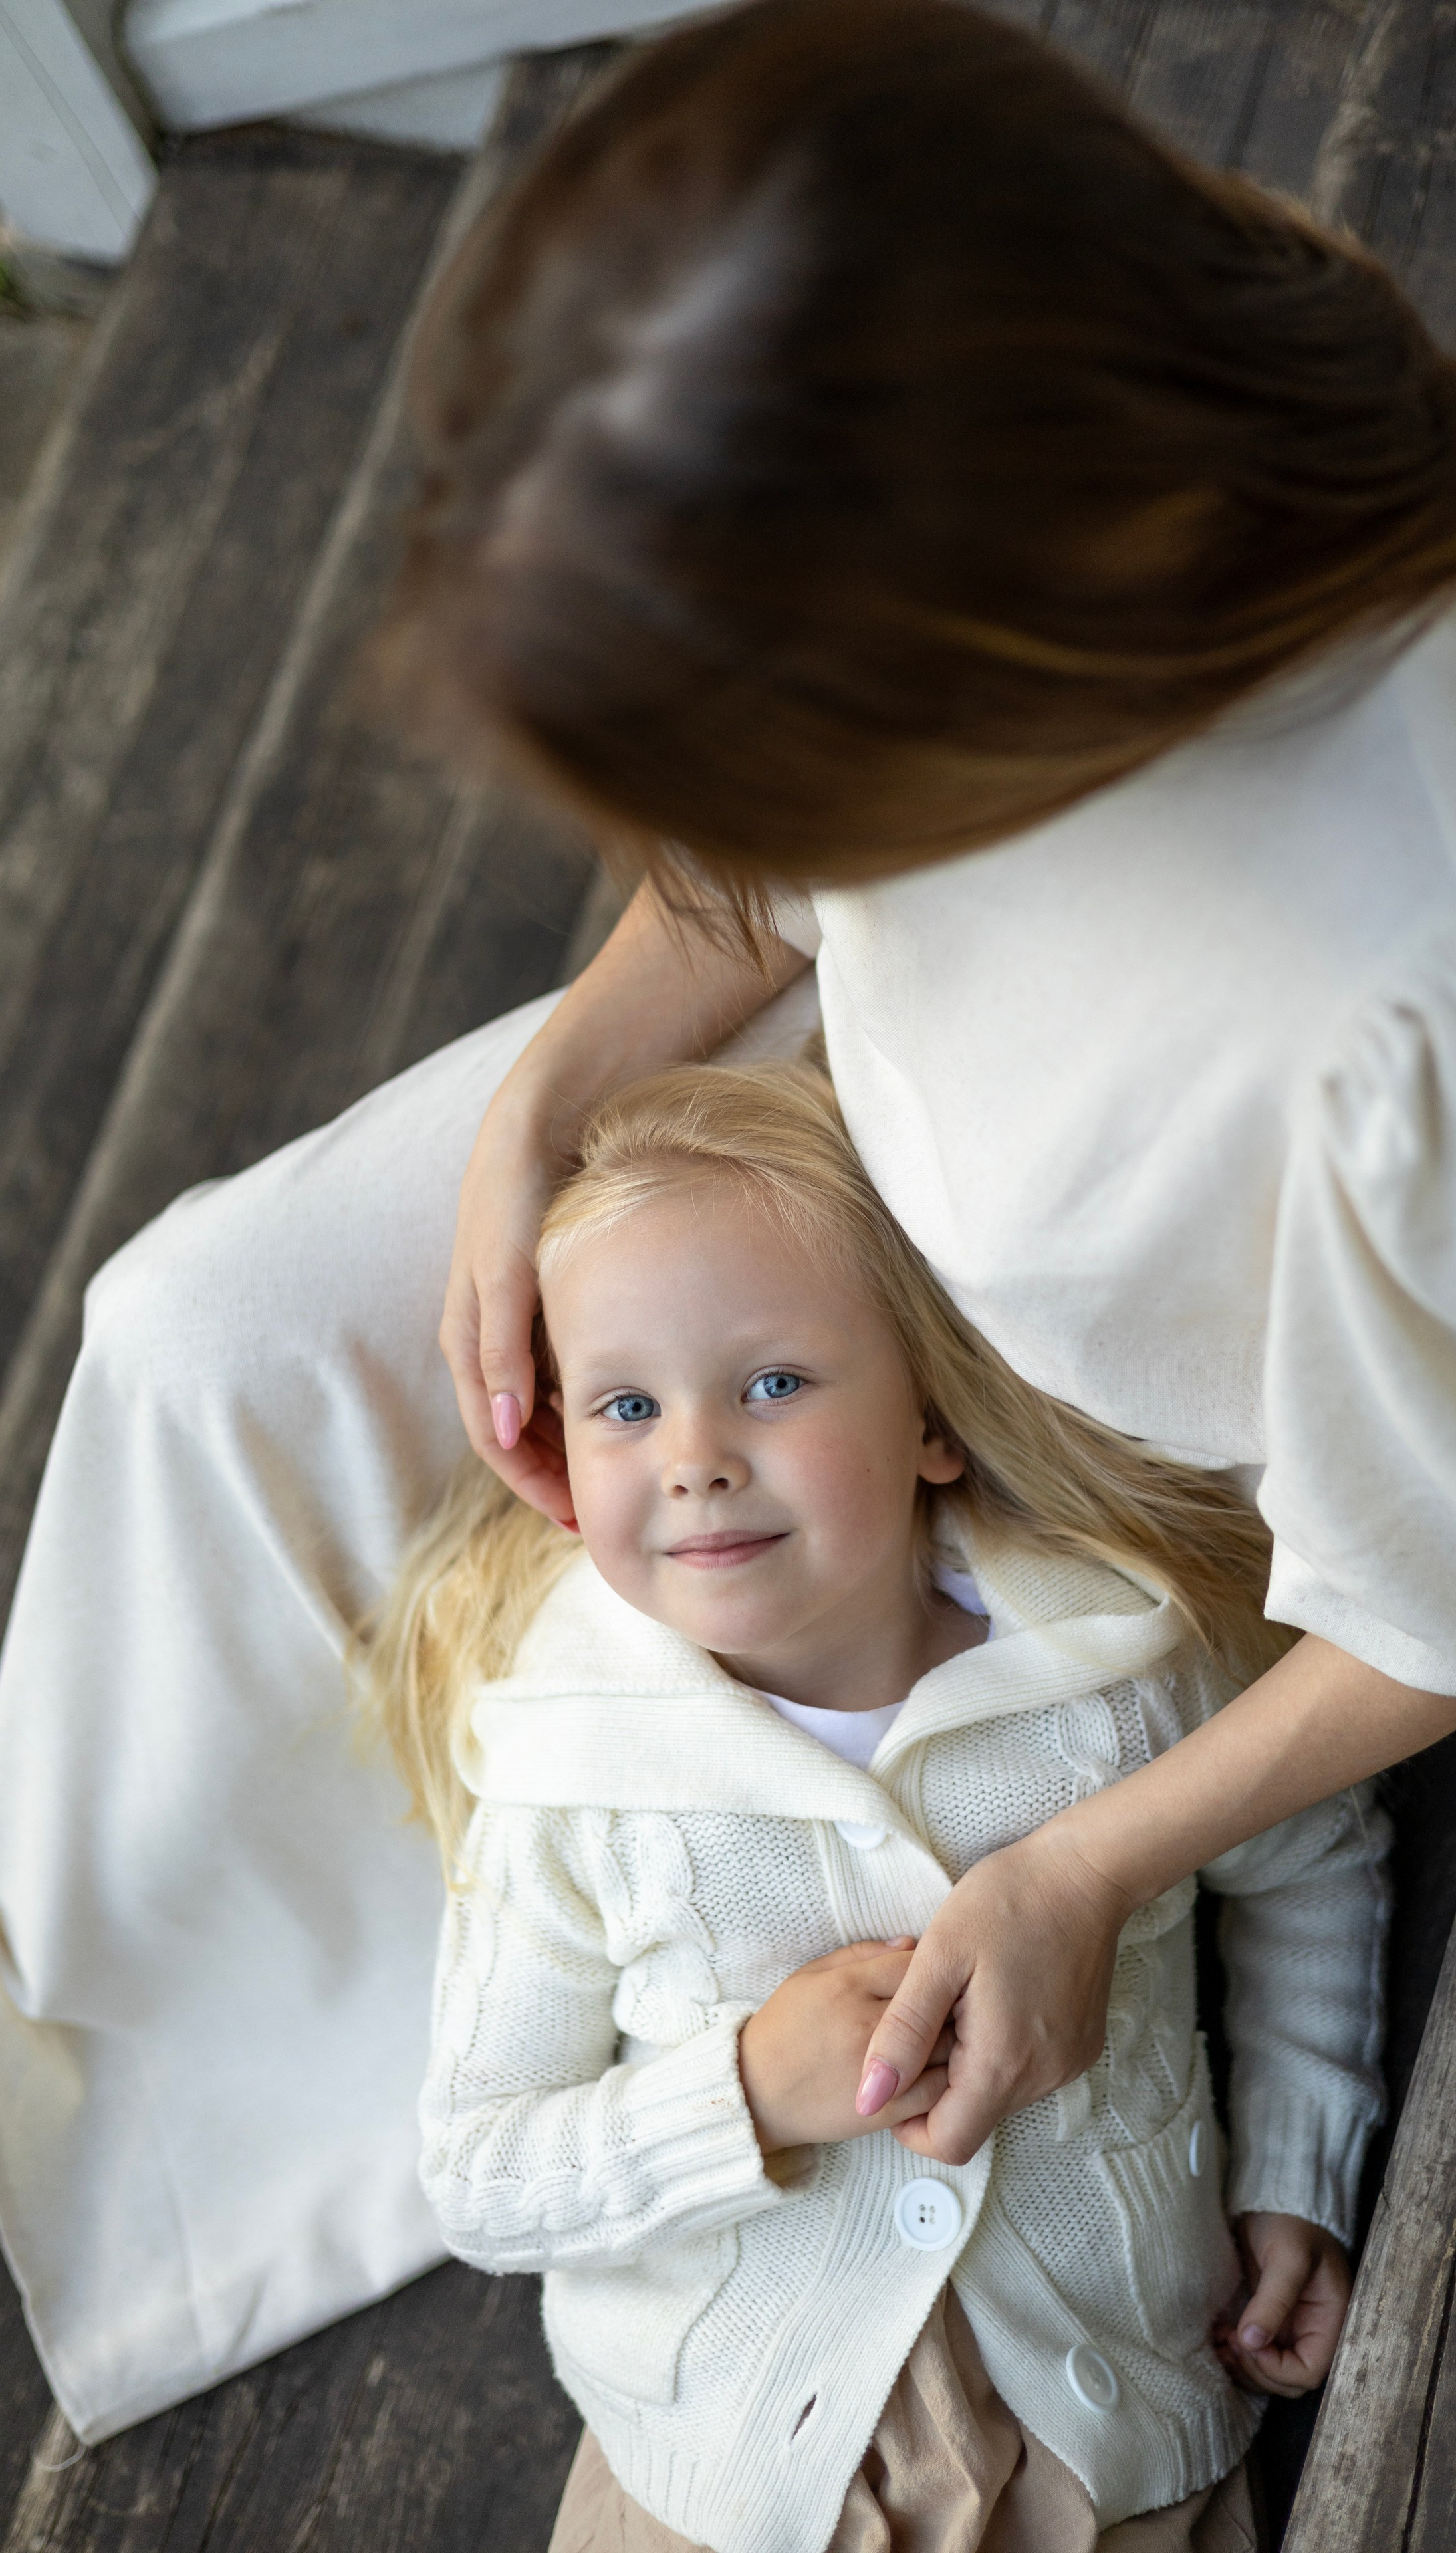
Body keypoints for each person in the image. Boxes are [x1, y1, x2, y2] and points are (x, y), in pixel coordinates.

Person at [2, 0, 1456, 2445]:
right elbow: (764, 879)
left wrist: (1093, 1867)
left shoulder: (1438, 1017)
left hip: (1134, 1368)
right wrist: (563, 1100)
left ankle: (480, 2068)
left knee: (706, 1728)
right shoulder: (982, 477)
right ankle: (132, 2101)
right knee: (203, 1333)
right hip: (873, 1130)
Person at [378, 1056, 1388, 2553]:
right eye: (626, 1405)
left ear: (931, 1415)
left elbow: (1306, 1860)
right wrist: (738, 2096)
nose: (697, 1459)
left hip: (1101, 2416)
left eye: (772, 1384)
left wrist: (1297, 2167)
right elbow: (482, 2174)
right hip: (722, 2462)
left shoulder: (1113, 1678)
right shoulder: (576, 1781)